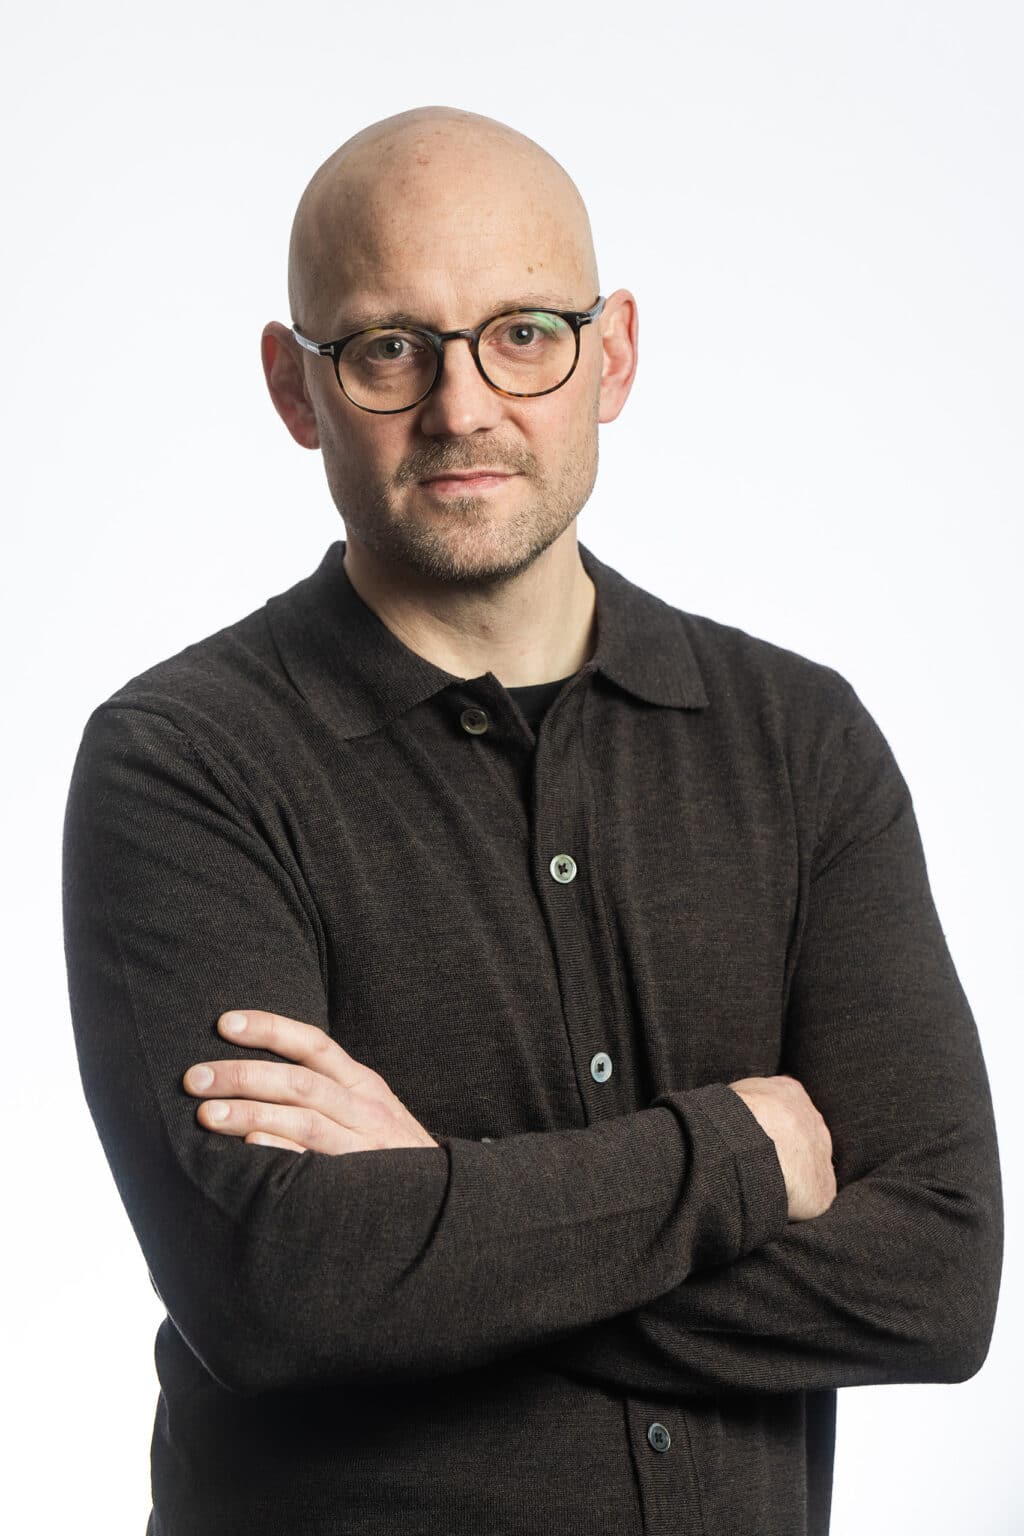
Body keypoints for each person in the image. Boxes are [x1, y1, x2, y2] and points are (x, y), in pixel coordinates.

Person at [61, 104, 1003, 1536]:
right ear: (295, 387)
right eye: (390, 348)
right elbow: (273, 1290)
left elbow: (933, 1278)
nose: (462, 407)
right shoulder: (184, 763)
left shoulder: (800, 740)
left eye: (522, 334)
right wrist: (735, 1159)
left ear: (610, 354)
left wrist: (434, 1214)